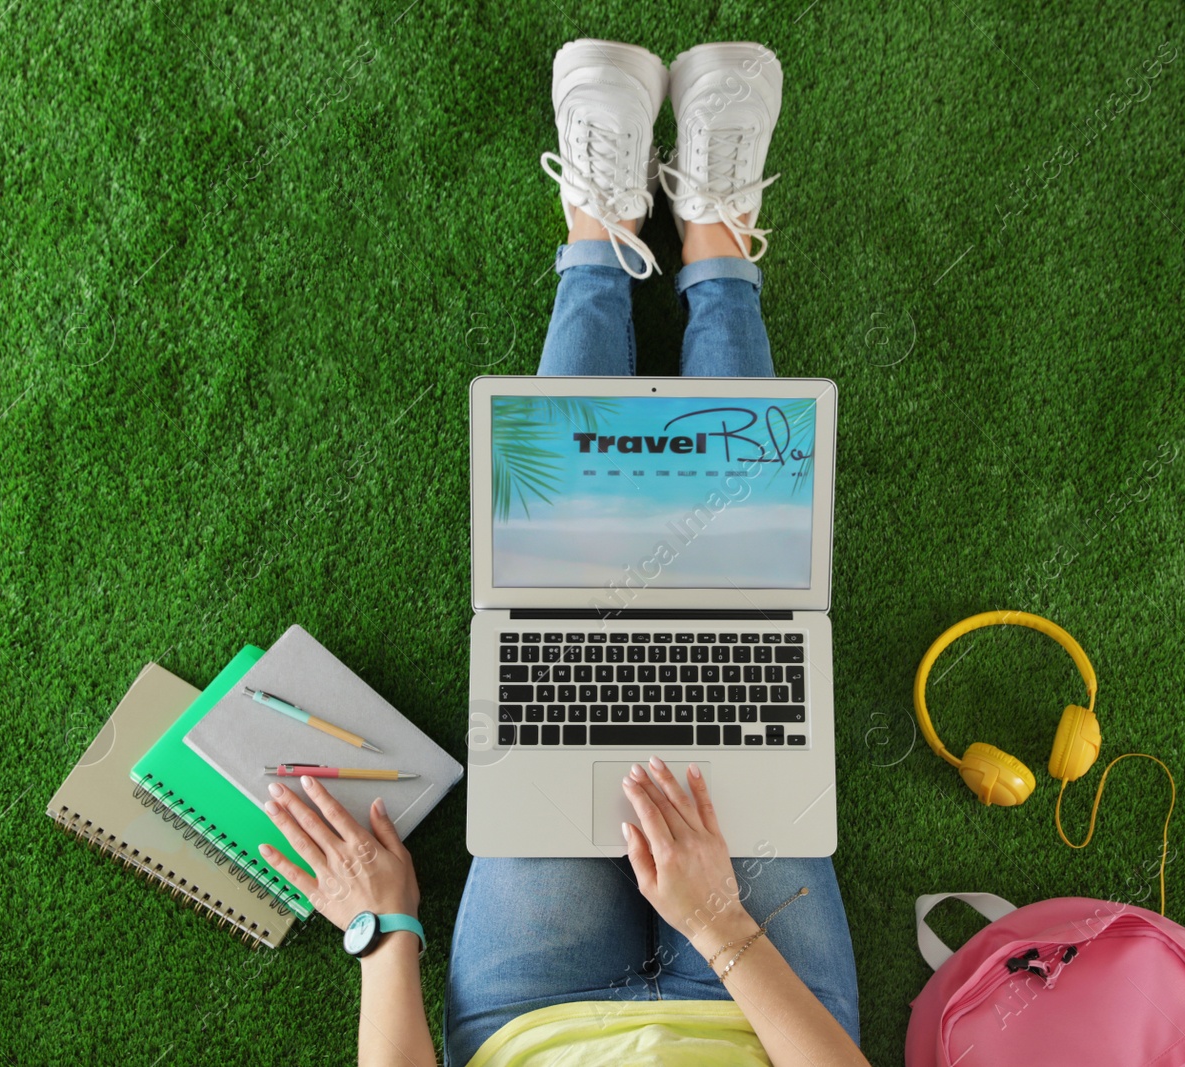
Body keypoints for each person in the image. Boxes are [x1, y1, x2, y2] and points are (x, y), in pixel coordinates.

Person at [258, 39, 866, 1067]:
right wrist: (719, 920)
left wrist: (383, 936)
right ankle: (715, 243)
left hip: (529, 1014)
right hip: (764, 1008)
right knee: (747, 607)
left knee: (556, 613)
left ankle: (600, 231)